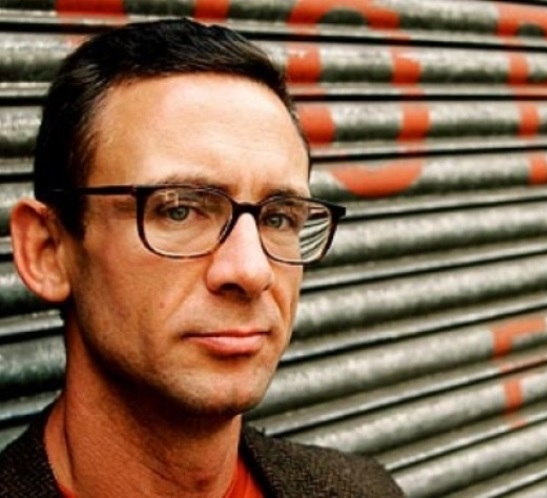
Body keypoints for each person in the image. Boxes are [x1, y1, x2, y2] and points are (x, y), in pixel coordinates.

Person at [0, 18, 404, 498]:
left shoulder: (362, 490)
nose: (251, 270)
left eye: (278, 217)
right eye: (180, 209)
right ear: (47, 251)